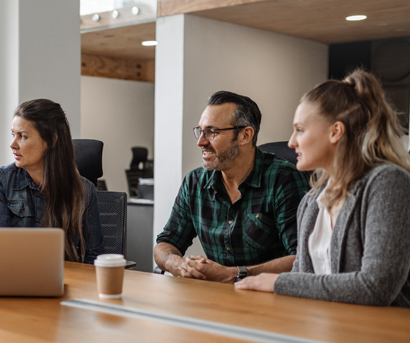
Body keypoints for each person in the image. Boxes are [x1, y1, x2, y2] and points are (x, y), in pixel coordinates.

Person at [0, 99, 111, 343]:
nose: (13, 145)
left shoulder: (82, 189)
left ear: (51, 141)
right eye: (13, 135)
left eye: (22, 136)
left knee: (103, 328)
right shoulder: (1, 183)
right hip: (20, 294)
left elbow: (96, 253)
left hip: (73, 293)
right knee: (33, 324)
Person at [236, 70, 410, 306]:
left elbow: (376, 287)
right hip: (319, 333)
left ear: (335, 131)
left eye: (300, 129)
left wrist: (276, 282)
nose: (291, 142)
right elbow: (302, 280)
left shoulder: (387, 182)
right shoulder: (311, 200)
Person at [154, 91, 310, 284]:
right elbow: (166, 242)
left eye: (212, 132)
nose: (200, 142)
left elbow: (303, 258)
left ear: (245, 135)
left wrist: (235, 273)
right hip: (218, 298)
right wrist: (176, 264)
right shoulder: (195, 182)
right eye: (200, 131)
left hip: (272, 297)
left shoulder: (284, 179)